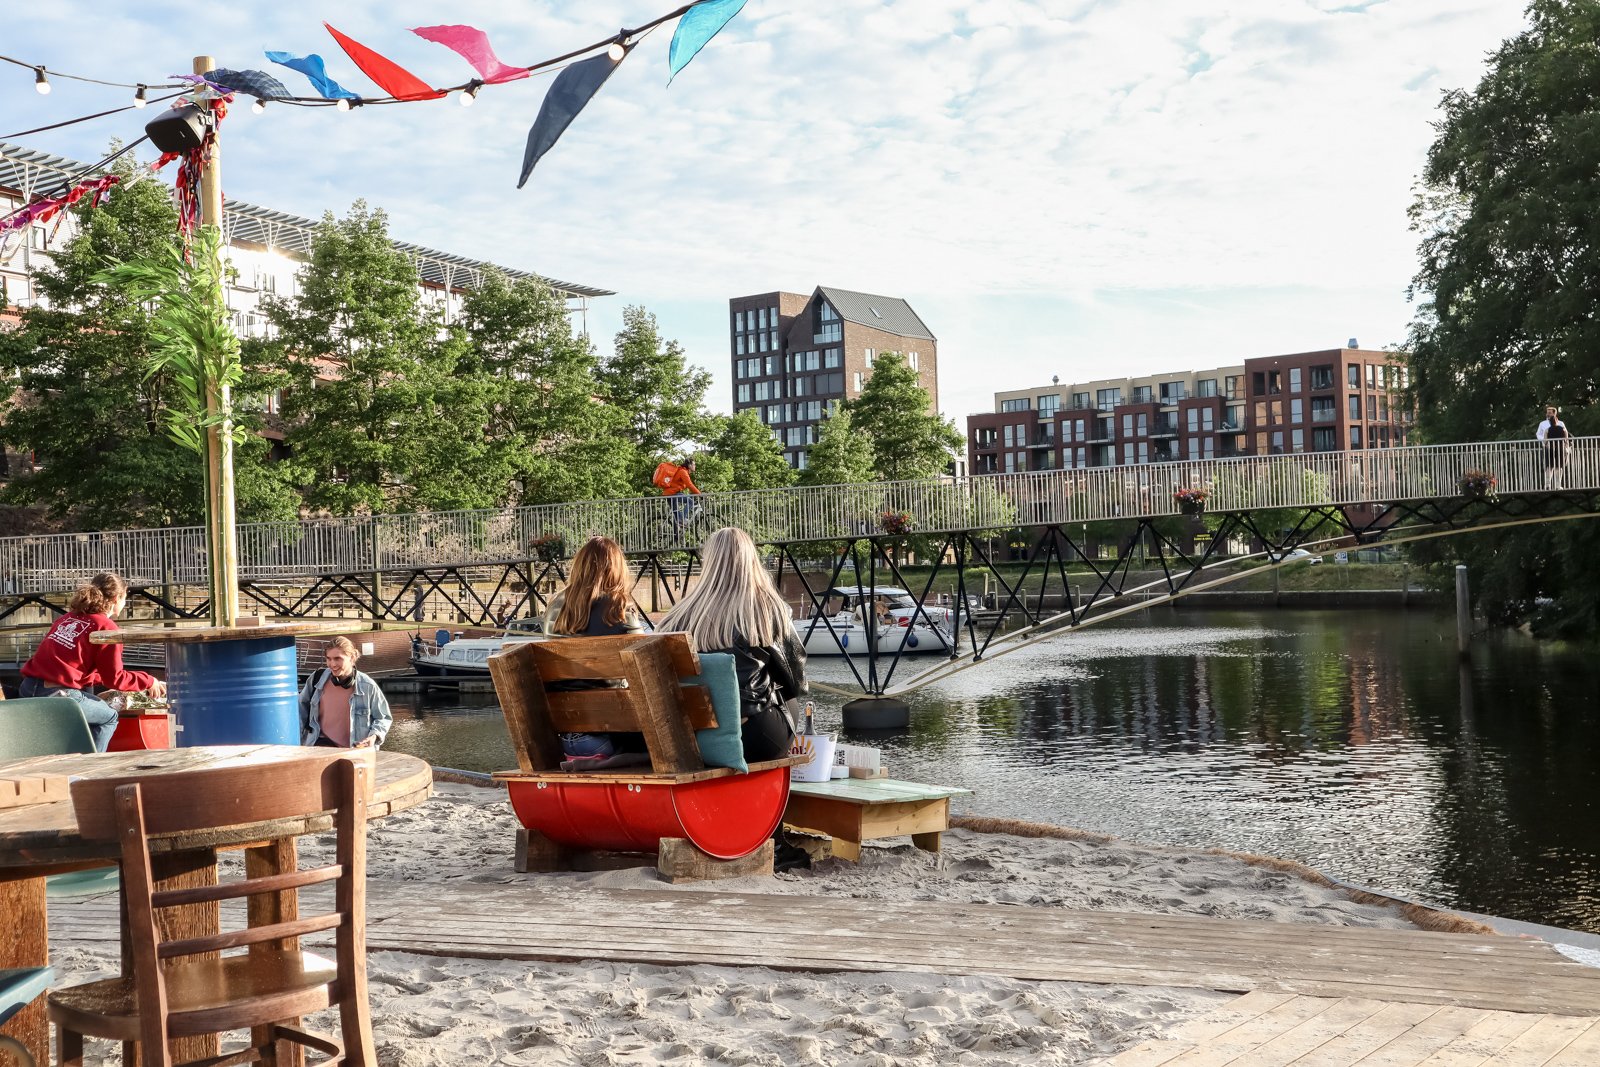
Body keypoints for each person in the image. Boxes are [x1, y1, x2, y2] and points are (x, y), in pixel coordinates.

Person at [658, 526, 805, 762]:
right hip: (755, 738)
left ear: (710, 563)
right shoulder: (766, 608)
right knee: (790, 700)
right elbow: (796, 680)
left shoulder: (677, 616)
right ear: (751, 560)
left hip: (695, 736)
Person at [19, 571, 166, 751]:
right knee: (109, 717)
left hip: (28, 688)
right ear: (116, 599)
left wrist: (97, 681)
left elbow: (70, 665)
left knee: (94, 706)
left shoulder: (67, 618)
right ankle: (91, 772)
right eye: (125, 598)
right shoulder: (107, 628)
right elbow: (116, 679)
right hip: (56, 697)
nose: (125, 603)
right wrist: (148, 680)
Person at [541, 535, 646, 763]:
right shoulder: (620, 608)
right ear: (617, 569)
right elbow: (648, 663)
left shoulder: (555, 608)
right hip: (610, 737)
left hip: (566, 736)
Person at [298, 636, 391, 749]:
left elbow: (383, 717)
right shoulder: (316, 679)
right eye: (329, 659)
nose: (332, 664)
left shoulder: (368, 686)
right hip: (320, 746)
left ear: (352, 658)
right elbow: (299, 711)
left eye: (338, 659)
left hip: (355, 750)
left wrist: (374, 736)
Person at [655, 457, 702, 527]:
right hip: (672, 494)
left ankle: (677, 535)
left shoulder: (682, 471)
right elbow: (690, 485)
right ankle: (682, 520)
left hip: (668, 494)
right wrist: (700, 494)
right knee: (690, 502)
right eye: (694, 464)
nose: (695, 466)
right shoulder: (683, 472)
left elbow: (684, 485)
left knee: (677, 517)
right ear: (689, 465)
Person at [1536, 404, 1571, 490]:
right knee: (1549, 466)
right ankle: (1548, 485)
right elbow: (1539, 434)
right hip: (1548, 448)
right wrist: (1545, 443)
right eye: (1547, 412)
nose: (1548, 414)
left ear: (1554, 414)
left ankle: (1557, 485)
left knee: (1558, 466)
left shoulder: (1561, 423)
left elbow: (1566, 435)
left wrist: (1566, 446)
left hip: (1560, 448)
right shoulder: (1542, 424)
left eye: (1550, 413)